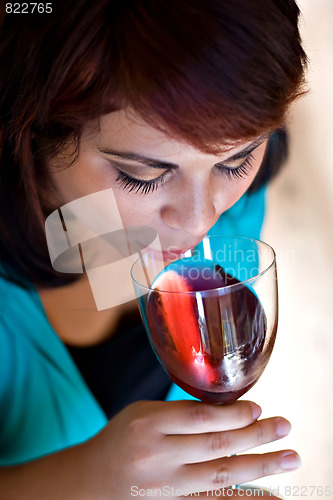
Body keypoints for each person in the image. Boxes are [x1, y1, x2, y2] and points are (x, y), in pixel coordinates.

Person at [0, 0, 307, 498]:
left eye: (236, 160)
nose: (202, 218)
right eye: (143, 175)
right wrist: (81, 482)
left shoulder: (241, 208)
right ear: (33, 131)